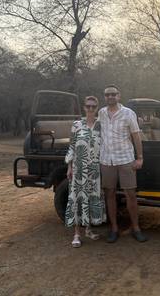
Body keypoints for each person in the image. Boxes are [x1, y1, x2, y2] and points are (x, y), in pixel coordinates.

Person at [99, 84, 148, 243]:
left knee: (130, 195)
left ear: (119, 95)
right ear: (105, 97)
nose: (110, 97)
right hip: (106, 160)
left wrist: (139, 157)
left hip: (126, 159)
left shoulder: (128, 113)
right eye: (107, 95)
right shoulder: (101, 113)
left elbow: (136, 136)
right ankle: (114, 229)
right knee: (110, 194)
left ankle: (136, 228)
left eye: (113, 94)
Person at [64, 96, 105, 247]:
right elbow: (72, 147)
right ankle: (76, 233)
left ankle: (88, 229)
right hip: (79, 169)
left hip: (94, 169)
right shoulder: (76, 125)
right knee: (78, 198)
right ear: (84, 107)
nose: (90, 109)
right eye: (88, 106)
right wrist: (69, 166)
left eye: (93, 106)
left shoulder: (101, 125)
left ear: (97, 108)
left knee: (91, 198)